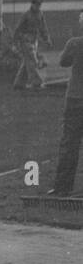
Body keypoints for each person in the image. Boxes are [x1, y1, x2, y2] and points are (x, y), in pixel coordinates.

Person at [48, 16, 83, 196]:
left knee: (69, 143)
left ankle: (62, 187)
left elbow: (63, 62)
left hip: (76, 97)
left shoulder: (74, 43)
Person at [11, 0, 50, 92]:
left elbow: (43, 28)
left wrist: (47, 39)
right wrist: (15, 42)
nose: (38, 7)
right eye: (36, 4)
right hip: (25, 40)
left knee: (27, 62)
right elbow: (18, 28)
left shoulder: (40, 14)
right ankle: (36, 82)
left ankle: (19, 83)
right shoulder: (26, 15)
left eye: (39, 5)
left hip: (34, 40)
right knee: (32, 60)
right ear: (32, 4)